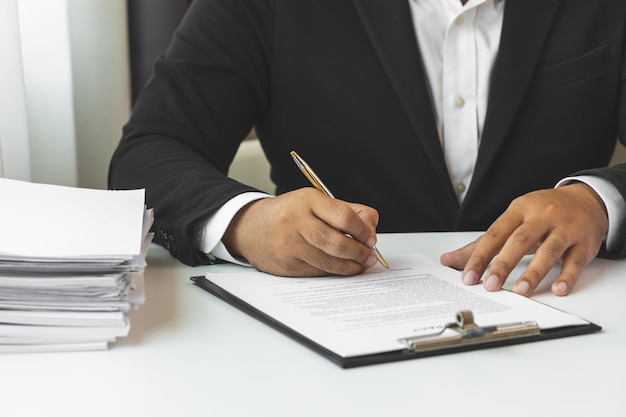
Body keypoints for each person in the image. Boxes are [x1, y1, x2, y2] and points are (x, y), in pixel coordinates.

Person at [109, 0, 626, 297]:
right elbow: (150, 150)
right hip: (327, 335)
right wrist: (247, 223)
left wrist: (599, 201)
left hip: (572, 310)